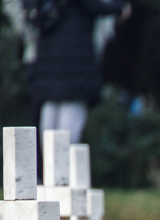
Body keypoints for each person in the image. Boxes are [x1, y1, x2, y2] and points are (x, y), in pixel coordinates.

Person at [26, 0, 129, 144]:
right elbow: (98, 6)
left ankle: (51, 158)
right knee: (67, 134)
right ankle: (62, 158)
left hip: (47, 72)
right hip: (75, 73)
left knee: (49, 129)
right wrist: (121, 8)